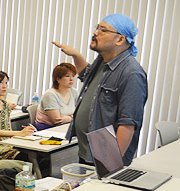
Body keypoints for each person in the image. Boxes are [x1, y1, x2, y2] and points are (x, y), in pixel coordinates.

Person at [52, 14, 148, 165]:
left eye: (103, 30)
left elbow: (128, 124)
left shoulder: (131, 74)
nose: (95, 32)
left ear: (120, 39)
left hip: (105, 158)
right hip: (87, 152)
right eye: (97, 28)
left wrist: (110, 165)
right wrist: (76, 55)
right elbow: (86, 75)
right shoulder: (103, 62)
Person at [0, 71, 35, 162]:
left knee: (35, 155)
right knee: (27, 159)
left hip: (9, 144)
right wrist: (20, 133)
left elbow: (9, 130)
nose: (4, 86)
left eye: (6, 83)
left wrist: (24, 135)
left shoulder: (6, 105)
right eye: (0, 83)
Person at [34, 63, 78, 130]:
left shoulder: (74, 92)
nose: (71, 79)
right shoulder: (50, 95)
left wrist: (69, 118)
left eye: (73, 76)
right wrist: (72, 117)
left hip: (67, 126)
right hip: (47, 129)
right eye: (67, 76)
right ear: (58, 79)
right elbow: (57, 121)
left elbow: (79, 114)